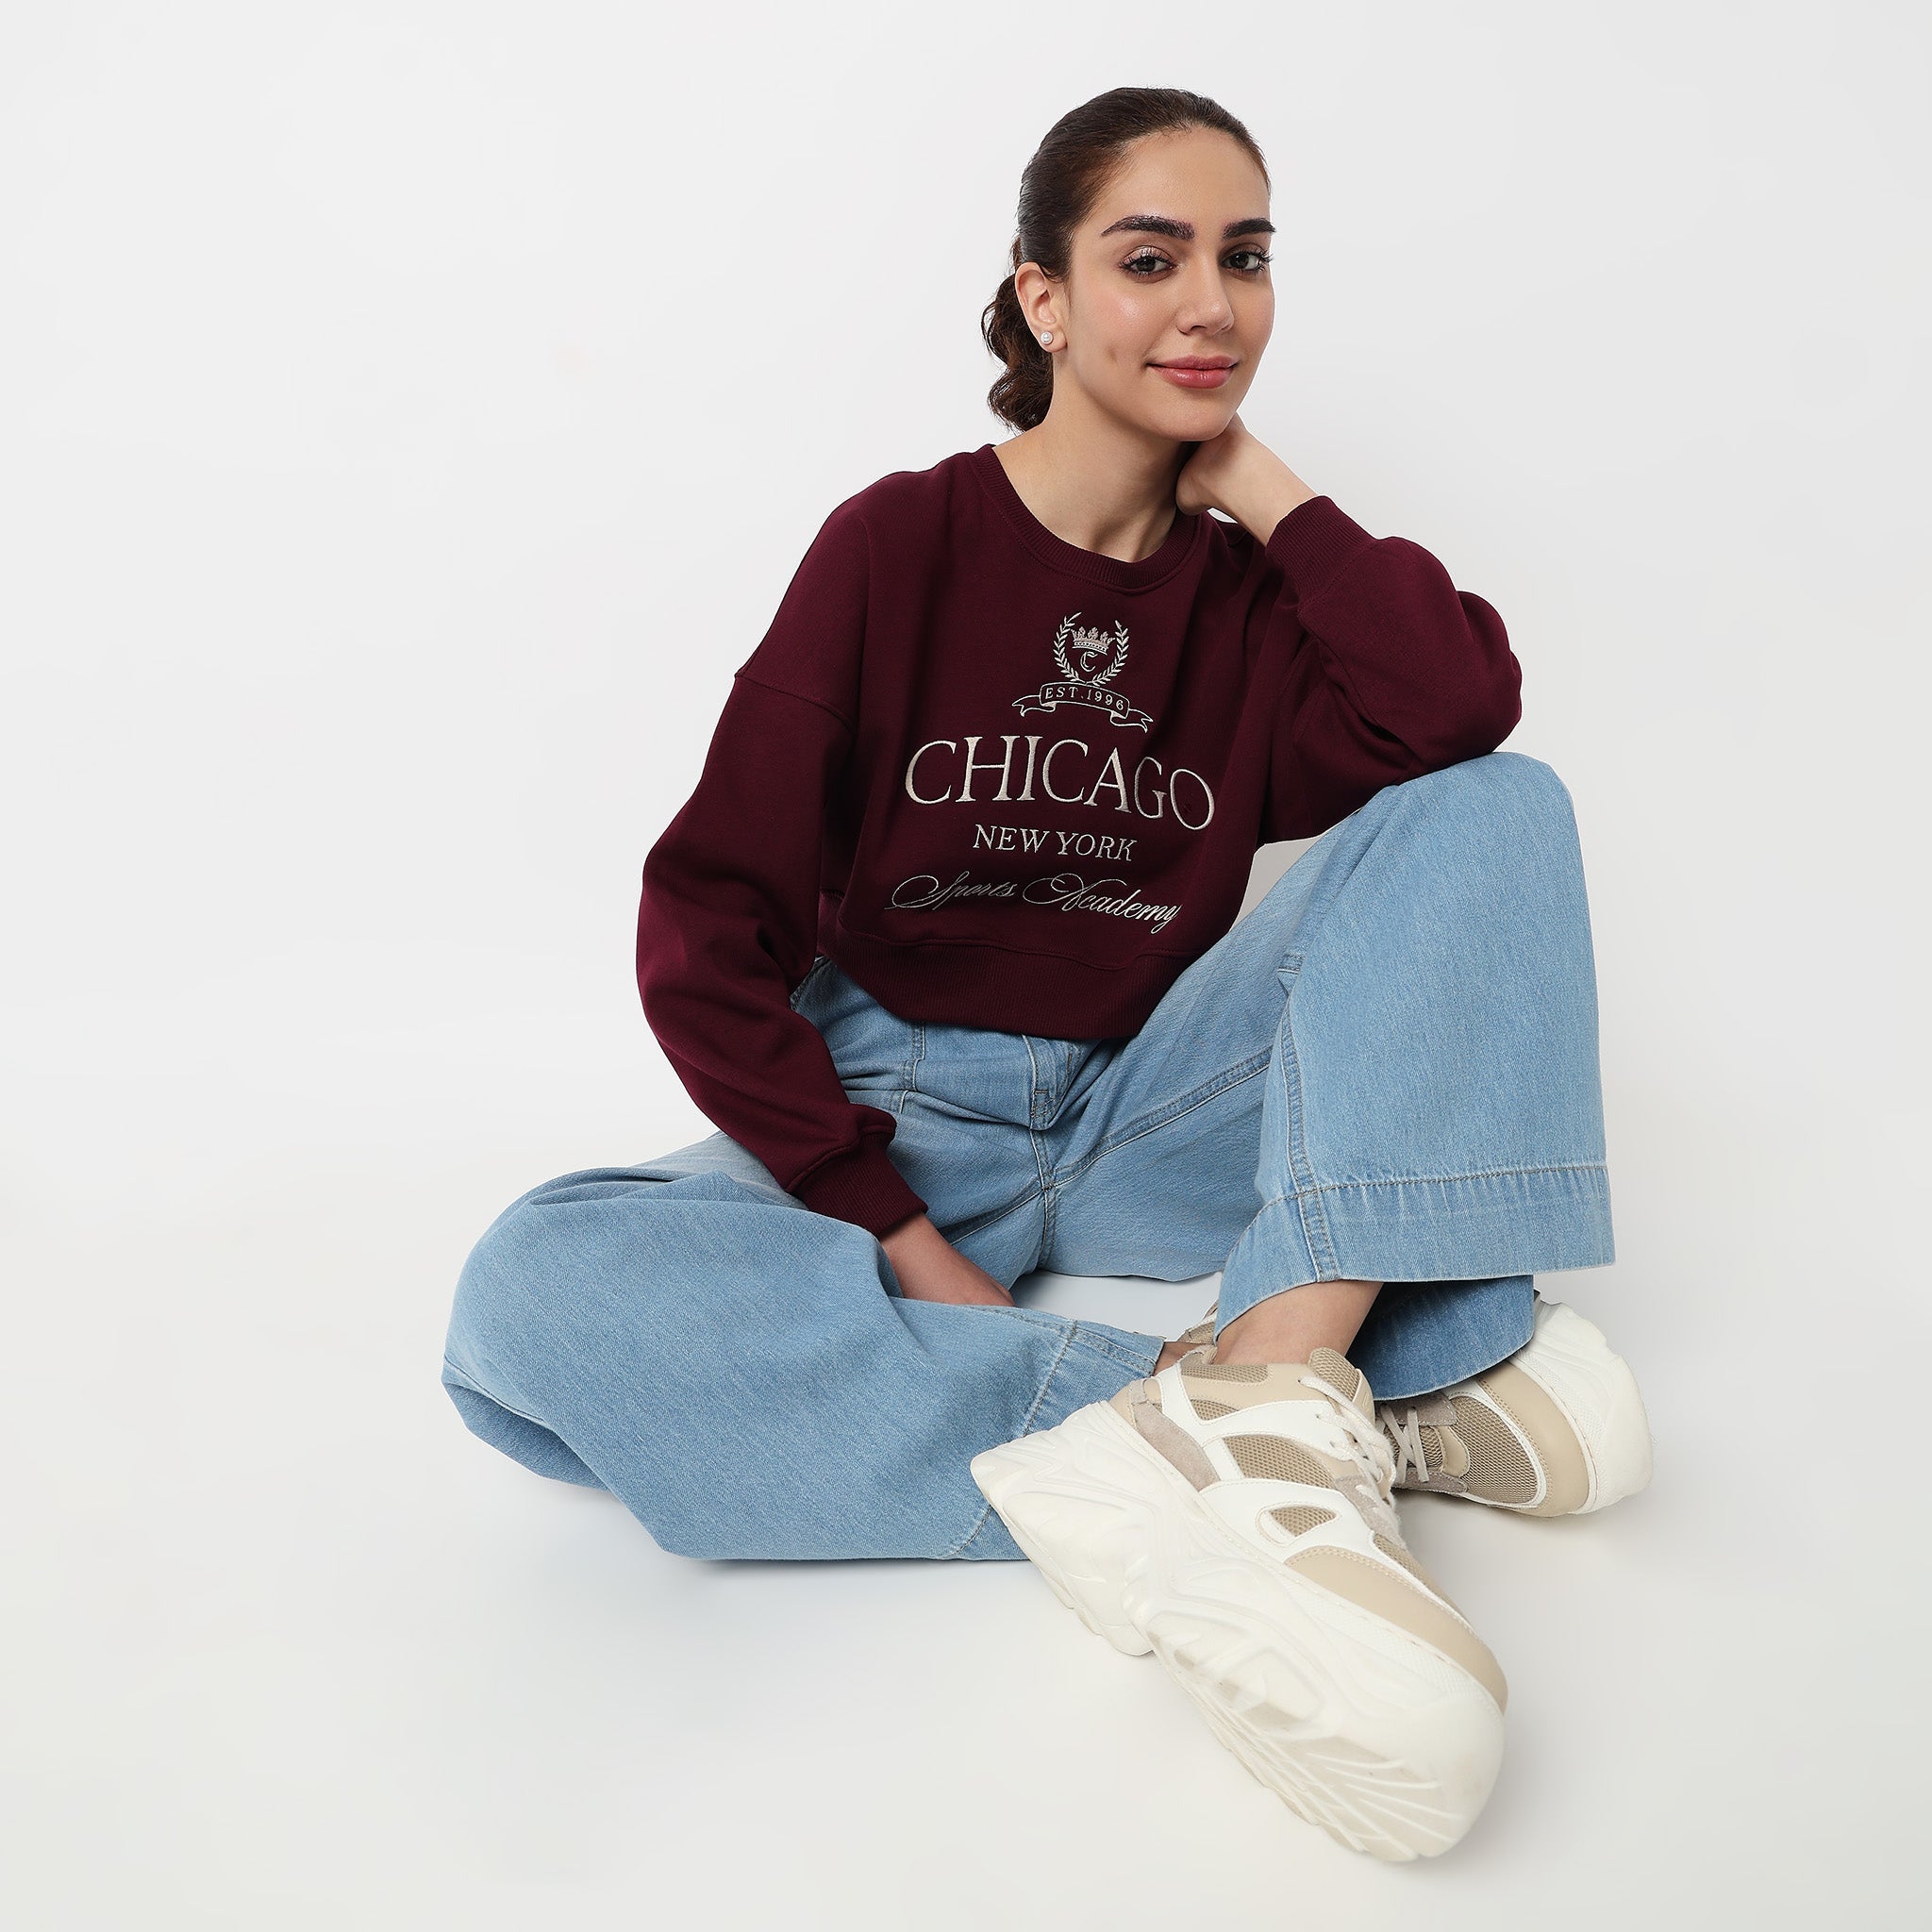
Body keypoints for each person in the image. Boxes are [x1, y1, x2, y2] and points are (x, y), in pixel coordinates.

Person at [441, 86, 1652, 1862]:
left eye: (1245, 259)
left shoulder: (1251, 602)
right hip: (903, 1106)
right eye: (1149, 261)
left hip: (1153, 1100)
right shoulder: (899, 546)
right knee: (528, 1306)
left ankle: (1272, 1399)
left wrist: (1258, 483)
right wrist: (890, 1226)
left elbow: (1455, 709)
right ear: (1044, 298)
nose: (1211, 304)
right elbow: (706, 926)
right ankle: (1288, 1407)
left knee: (1495, 807)